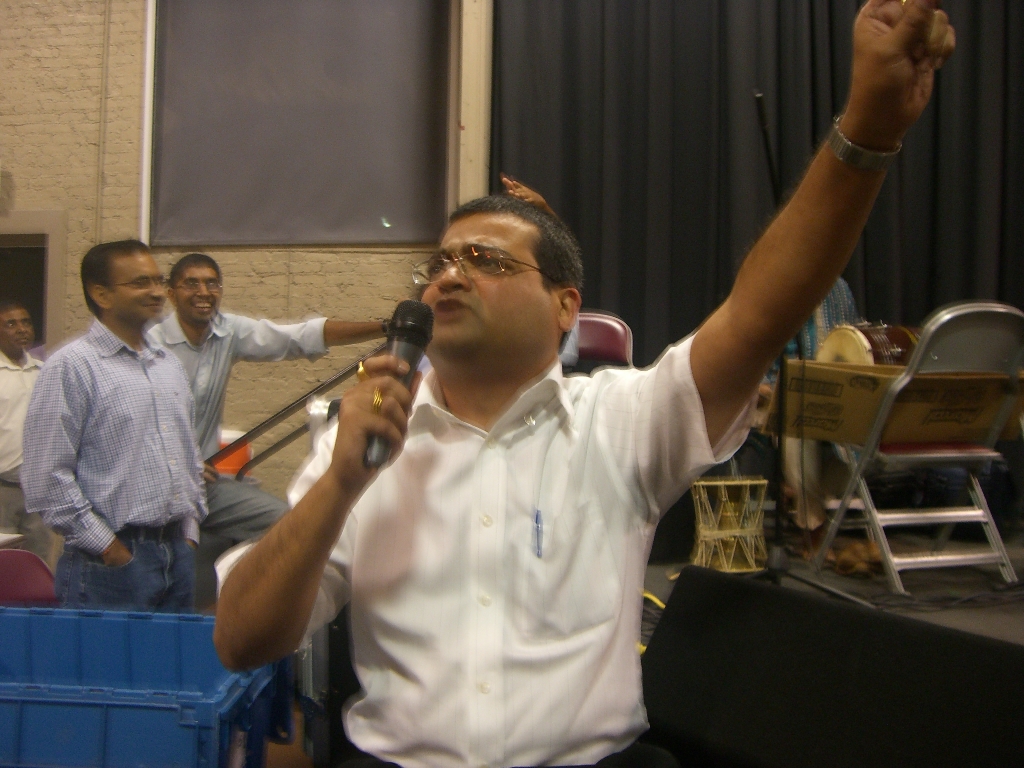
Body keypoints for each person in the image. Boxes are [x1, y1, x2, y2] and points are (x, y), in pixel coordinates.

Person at [214, 3, 955, 766]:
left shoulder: (621, 420)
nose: (449, 276)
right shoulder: (358, 447)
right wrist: (339, 486)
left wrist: (867, 132)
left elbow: (757, 317)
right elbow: (240, 640)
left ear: (566, 306)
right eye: (440, 263)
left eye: (487, 261)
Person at [147, 252, 387, 607]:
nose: (204, 292)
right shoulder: (150, 346)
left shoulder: (226, 332)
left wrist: (383, 327)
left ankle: (236, 606)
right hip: (155, 488)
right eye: (191, 283)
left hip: (203, 487)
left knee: (288, 524)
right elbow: (137, 427)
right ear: (171, 293)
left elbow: (298, 337)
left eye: (212, 283)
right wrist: (181, 464)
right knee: (169, 579)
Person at [22, 240, 207, 612]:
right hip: (109, 565)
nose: (157, 292)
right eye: (140, 282)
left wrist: (189, 532)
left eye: (158, 280)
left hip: (177, 554)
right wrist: (110, 548)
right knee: (106, 654)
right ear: (101, 294)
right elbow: (46, 477)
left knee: (169, 653)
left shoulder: (166, 364)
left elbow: (188, 454)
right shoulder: (72, 366)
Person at [0, 300, 56, 567]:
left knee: (37, 565)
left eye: (26, 322)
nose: (21, 329)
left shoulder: (44, 371)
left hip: (37, 490)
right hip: (2, 488)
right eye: (11, 324)